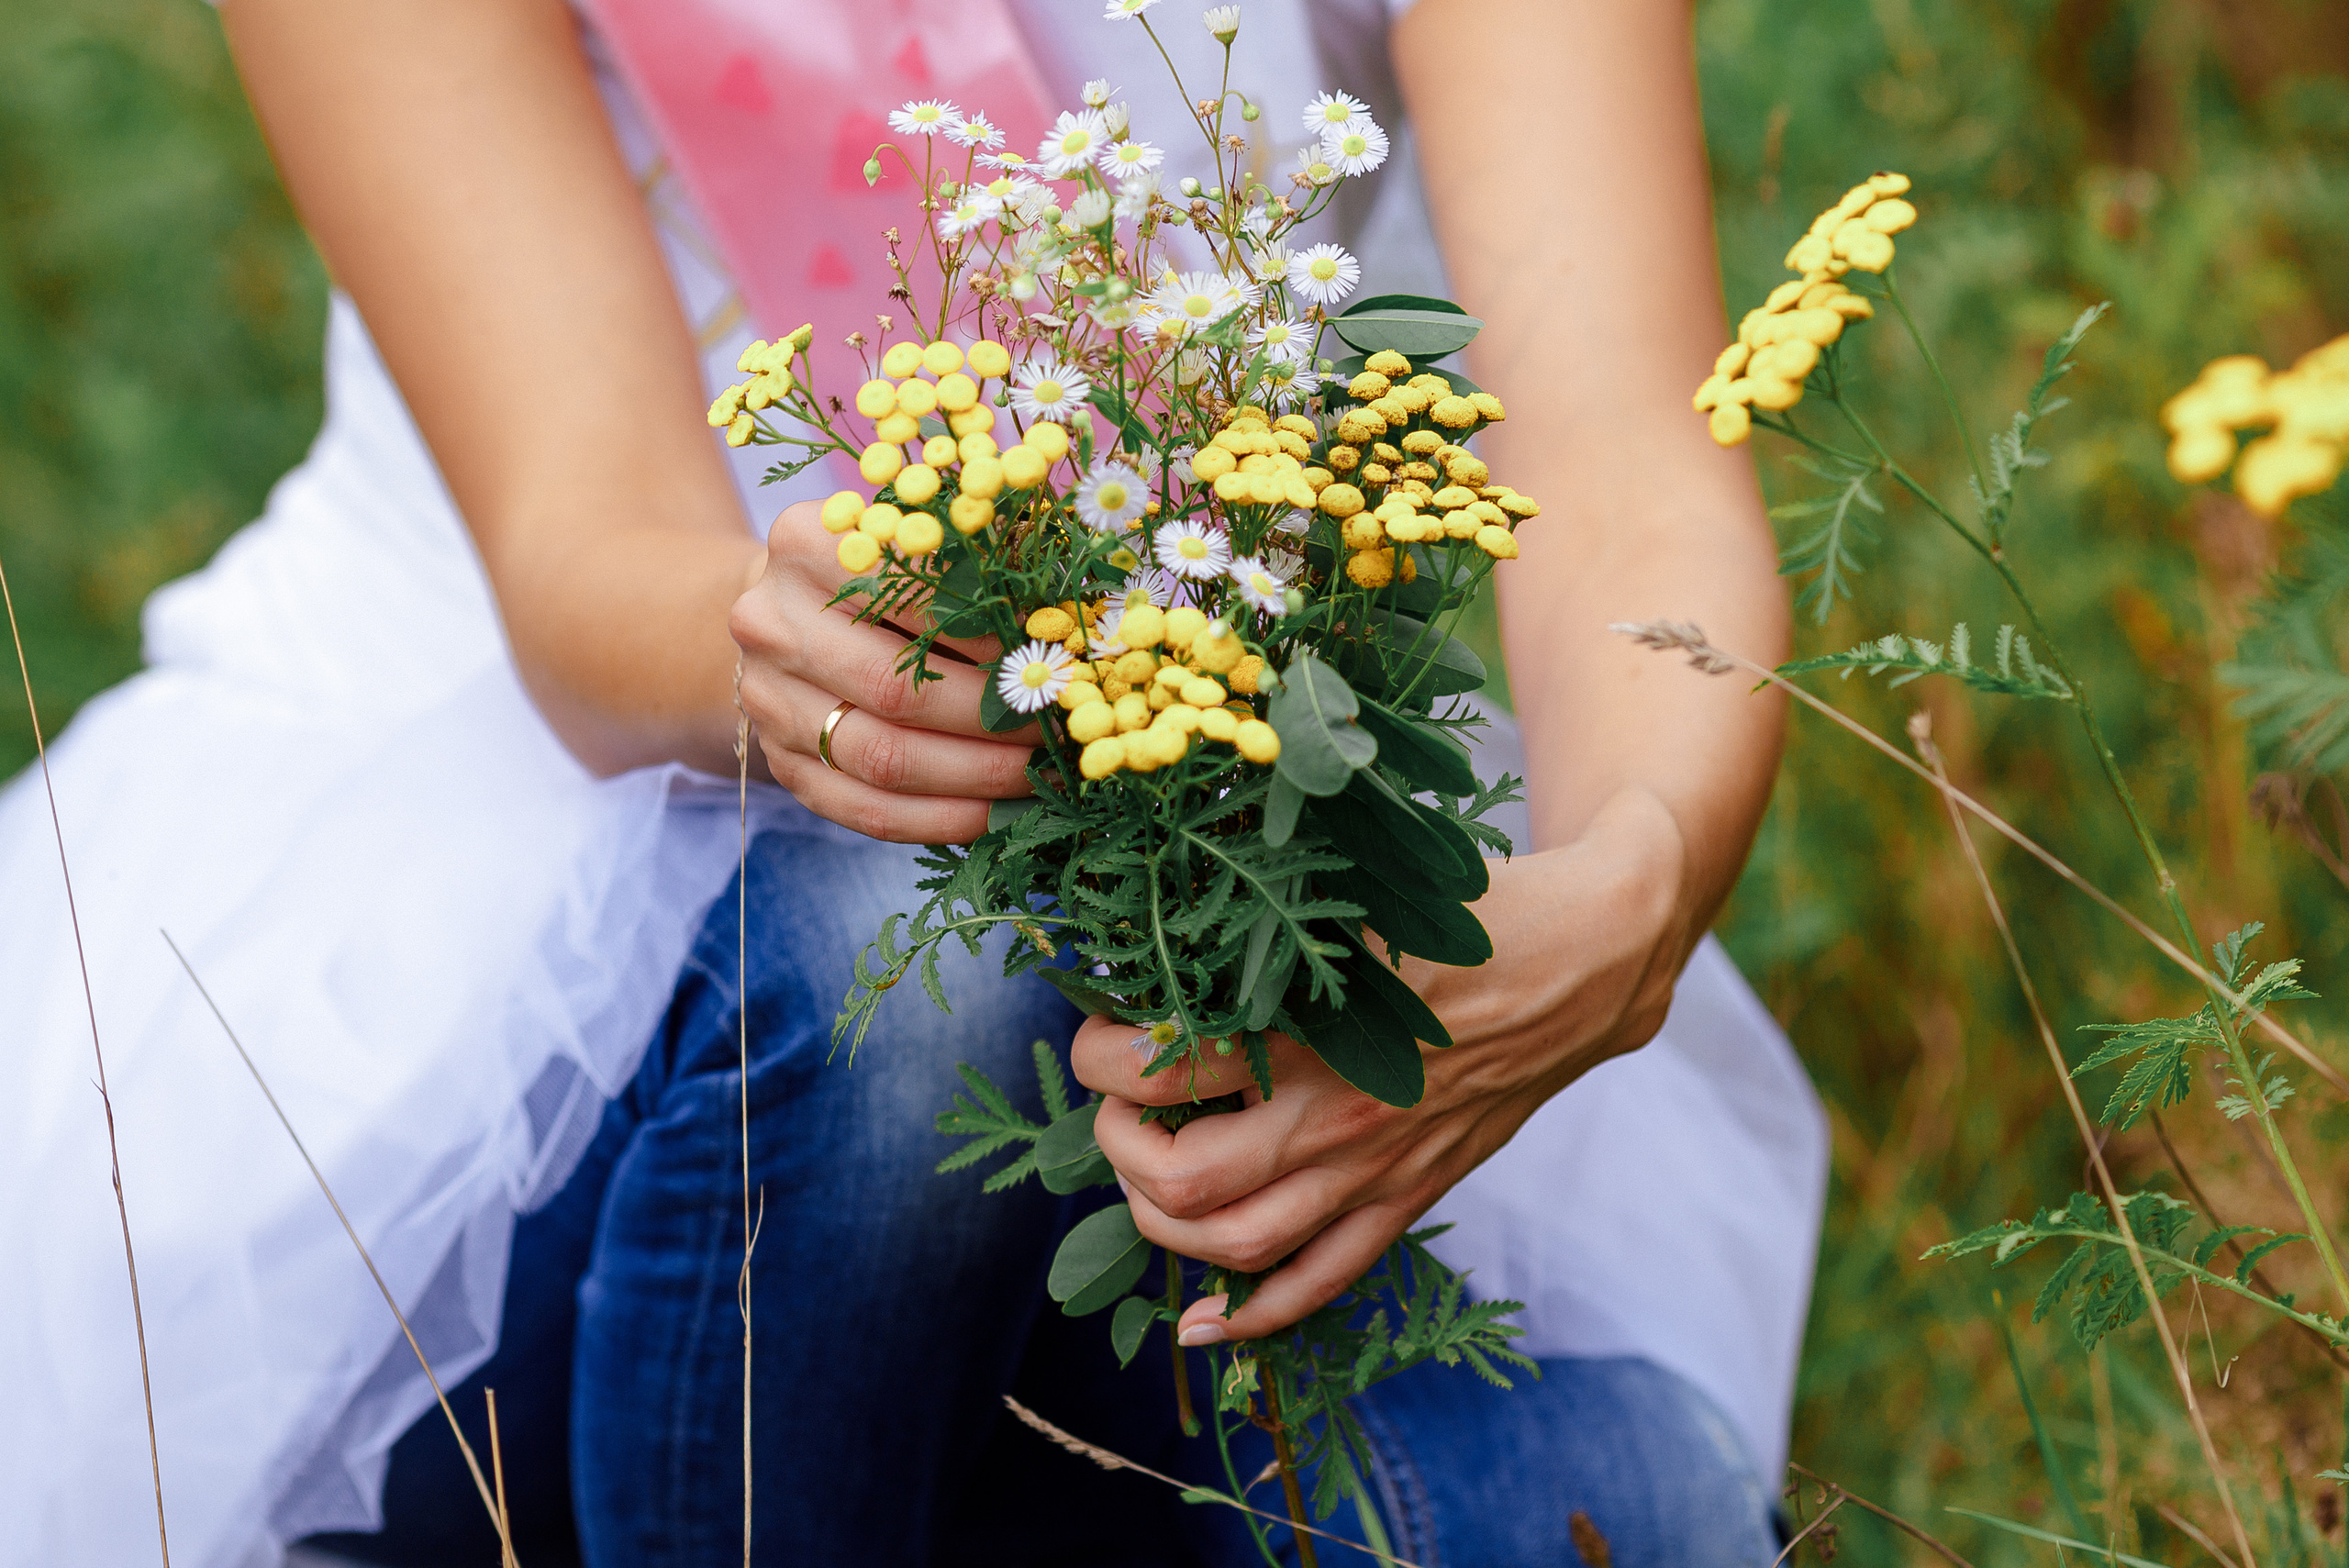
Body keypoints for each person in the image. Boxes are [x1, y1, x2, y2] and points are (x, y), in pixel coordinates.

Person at [0, 0, 1823, 1562]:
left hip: (1192, 846)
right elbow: (581, 559)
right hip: (508, 948)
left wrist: (1627, 891)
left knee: (1625, 1514)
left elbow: (1613, 458)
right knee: (928, 964)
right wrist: (820, 637)